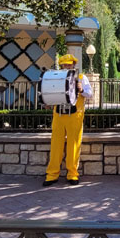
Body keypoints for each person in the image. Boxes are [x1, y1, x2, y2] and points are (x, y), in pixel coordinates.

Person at [42, 54, 93, 186]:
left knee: (74, 145)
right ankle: (52, 174)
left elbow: (90, 94)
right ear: (61, 65)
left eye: (69, 64)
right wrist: (47, 102)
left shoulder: (82, 77)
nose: (67, 66)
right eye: (64, 64)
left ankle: (72, 174)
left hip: (75, 115)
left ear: (74, 65)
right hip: (58, 115)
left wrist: (81, 90)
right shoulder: (56, 77)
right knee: (56, 145)